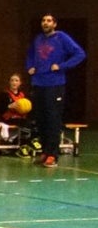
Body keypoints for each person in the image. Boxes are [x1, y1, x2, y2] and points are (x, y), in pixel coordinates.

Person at [26, 13, 87, 167]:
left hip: (55, 84)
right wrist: (30, 66)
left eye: (49, 21)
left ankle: (53, 154)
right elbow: (31, 54)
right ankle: (45, 151)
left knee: (53, 119)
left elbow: (80, 54)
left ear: (54, 24)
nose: (45, 23)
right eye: (43, 20)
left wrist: (61, 66)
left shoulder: (62, 37)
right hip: (39, 83)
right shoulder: (38, 39)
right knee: (41, 120)